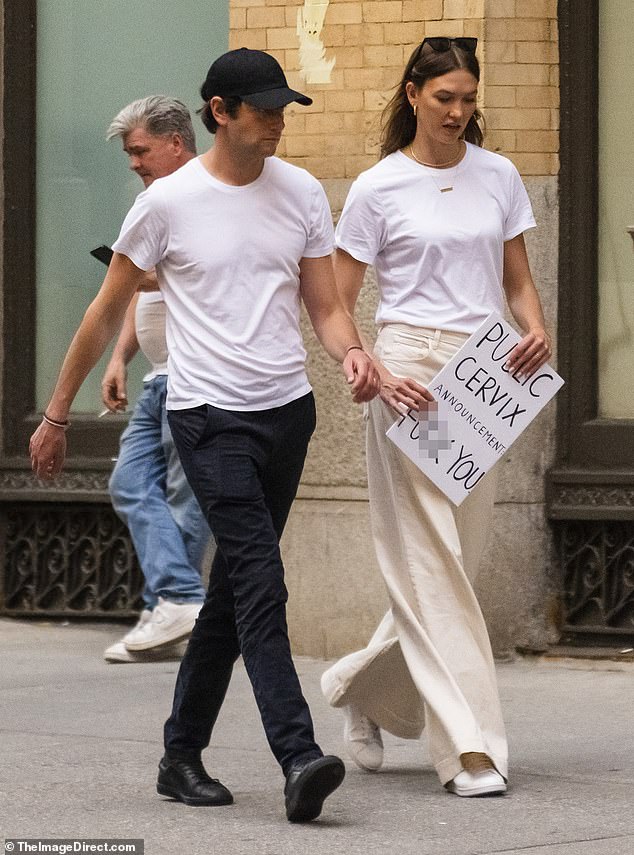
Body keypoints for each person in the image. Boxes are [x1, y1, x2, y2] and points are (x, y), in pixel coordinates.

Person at [29, 48, 380, 823]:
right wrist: (56, 413)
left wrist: (353, 350)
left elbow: (324, 303)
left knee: (230, 592)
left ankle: (180, 753)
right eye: (262, 109)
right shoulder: (166, 204)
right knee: (259, 578)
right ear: (219, 111)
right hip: (208, 417)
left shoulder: (301, 193)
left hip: (288, 413)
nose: (277, 121)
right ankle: (298, 754)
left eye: (284, 108)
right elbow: (104, 310)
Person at [320, 37, 552, 798]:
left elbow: (516, 278)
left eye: (467, 98)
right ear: (413, 93)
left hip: (486, 372)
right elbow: (337, 300)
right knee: (432, 562)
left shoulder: (500, 175)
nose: (458, 111)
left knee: (457, 558)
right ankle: (470, 746)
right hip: (412, 368)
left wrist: (535, 325)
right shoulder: (379, 186)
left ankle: (365, 686)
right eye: (444, 97)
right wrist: (373, 369)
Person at [101, 96, 210, 665]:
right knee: (131, 484)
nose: (133, 162)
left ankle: (169, 607)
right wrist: (120, 357)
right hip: (158, 376)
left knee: (183, 501)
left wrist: (147, 276)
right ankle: (177, 604)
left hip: (191, 377)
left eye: (140, 150)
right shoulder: (153, 202)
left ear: (175, 142)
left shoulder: (200, 196)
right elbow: (136, 294)